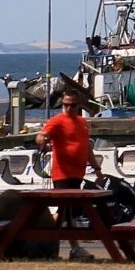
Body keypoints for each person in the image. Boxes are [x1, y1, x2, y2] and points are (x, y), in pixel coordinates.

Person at [35, 87, 103, 260]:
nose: (67, 109)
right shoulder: (57, 121)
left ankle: (61, 247)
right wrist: (42, 140)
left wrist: (97, 169)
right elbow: (43, 134)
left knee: (70, 213)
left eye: (71, 105)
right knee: (65, 211)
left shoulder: (82, 123)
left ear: (78, 105)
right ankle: (67, 246)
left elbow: (87, 148)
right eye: (64, 105)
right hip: (62, 174)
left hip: (77, 173)